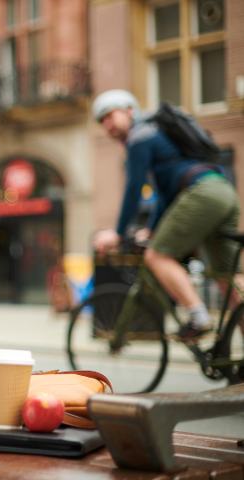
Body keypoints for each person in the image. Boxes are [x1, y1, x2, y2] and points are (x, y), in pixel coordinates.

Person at [91, 89, 240, 340]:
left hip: (202, 193)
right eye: (101, 122)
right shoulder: (156, 134)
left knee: (157, 256)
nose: (106, 125)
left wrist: (117, 234)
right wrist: (150, 228)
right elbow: (163, 196)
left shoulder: (139, 138)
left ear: (130, 111)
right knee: (226, 280)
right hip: (223, 191)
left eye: (109, 116)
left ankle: (198, 316)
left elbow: (134, 189)